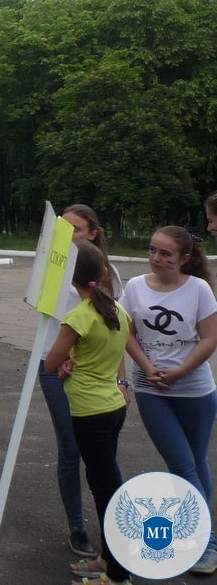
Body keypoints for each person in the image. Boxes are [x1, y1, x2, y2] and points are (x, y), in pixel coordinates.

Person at [120, 225, 217, 576]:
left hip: (195, 390)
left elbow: (209, 339)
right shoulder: (133, 287)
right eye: (152, 250)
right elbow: (126, 331)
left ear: (185, 259)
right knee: (182, 464)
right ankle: (206, 542)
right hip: (151, 390)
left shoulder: (199, 289)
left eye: (166, 254)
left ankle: (205, 542)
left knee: (195, 461)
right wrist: (147, 367)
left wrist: (179, 373)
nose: (156, 258)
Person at [45, 240, 141, 585]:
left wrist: (68, 361)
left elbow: (52, 361)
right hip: (113, 406)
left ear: (70, 275)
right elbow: (111, 354)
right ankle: (107, 558)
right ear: (103, 273)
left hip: (89, 410)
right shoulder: (116, 309)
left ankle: (117, 574)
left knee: (105, 488)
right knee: (106, 483)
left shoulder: (79, 316)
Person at [38, 204, 124, 559]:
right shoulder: (54, 269)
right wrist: (59, 363)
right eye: (63, 227)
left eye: (75, 229)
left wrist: (123, 380)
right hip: (56, 369)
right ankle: (78, 526)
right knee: (71, 449)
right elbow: (46, 318)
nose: (67, 234)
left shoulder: (107, 274)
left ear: (92, 234)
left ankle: (114, 531)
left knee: (103, 457)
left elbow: (113, 330)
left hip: (98, 379)